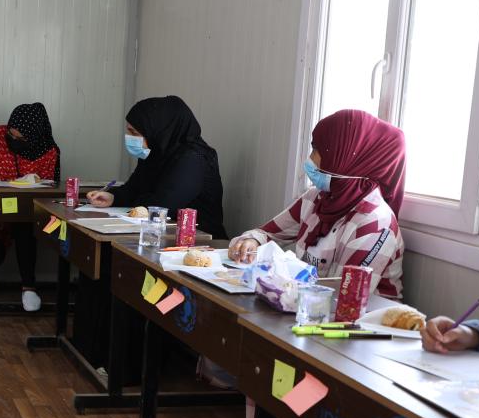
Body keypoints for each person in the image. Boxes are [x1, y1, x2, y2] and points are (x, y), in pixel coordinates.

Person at [227, 108, 405, 297]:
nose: (310, 159)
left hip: (360, 320)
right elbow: (267, 233)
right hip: (308, 307)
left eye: (317, 150)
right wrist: (252, 241)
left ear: (342, 157)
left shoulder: (375, 222)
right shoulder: (317, 198)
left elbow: (343, 296)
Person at [0, 102, 60, 311]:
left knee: (26, 231)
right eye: (11, 135)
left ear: (33, 136)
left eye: (19, 138)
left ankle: (29, 286)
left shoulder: (49, 151)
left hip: (25, 211)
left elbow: (49, 189)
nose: (12, 140)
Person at [87, 95, 227, 239]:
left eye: (134, 132)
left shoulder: (194, 158)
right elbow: (134, 189)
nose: (129, 137)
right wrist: (113, 197)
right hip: (157, 237)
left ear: (157, 130)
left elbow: (160, 207)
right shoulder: (156, 152)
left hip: (199, 244)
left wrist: (139, 200)